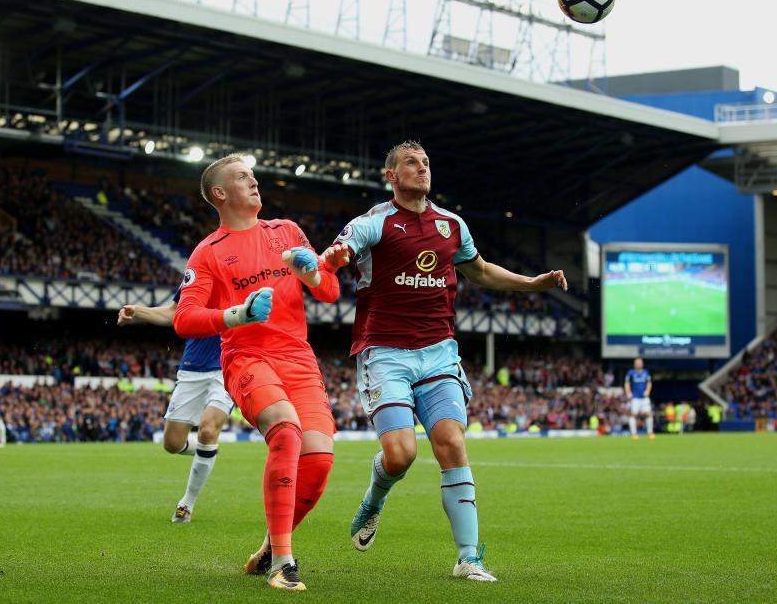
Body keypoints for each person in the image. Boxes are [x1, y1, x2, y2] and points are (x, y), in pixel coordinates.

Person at [321, 140, 567, 583]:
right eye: (411, 163)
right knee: (400, 455)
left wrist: (533, 283)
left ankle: (468, 557)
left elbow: (482, 270)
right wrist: (333, 260)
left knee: (451, 443)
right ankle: (374, 500)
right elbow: (336, 255)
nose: (421, 168)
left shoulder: (451, 225)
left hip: (438, 352)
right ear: (390, 175)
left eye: (426, 163)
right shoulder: (373, 223)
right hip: (386, 354)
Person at [173, 153, 341, 592]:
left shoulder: (286, 231)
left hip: (299, 359)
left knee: (320, 460)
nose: (254, 181)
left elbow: (329, 291)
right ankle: (284, 563)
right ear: (220, 193)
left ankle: (270, 544)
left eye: (253, 175)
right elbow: (184, 317)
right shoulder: (208, 252)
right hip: (247, 357)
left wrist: (313, 273)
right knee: (286, 432)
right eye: (243, 177)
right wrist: (236, 314)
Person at [117, 295, 228, 524]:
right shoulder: (197, 275)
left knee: (208, 430)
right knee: (172, 444)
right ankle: (208, 451)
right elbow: (173, 312)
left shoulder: (245, 273)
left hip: (228, 365)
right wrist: (137, 311)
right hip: (192, 369)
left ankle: (186, 504)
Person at [624, 357, 654, 440]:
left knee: (648, 414)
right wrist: (628, 392)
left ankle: (650, 433)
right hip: (635, 398)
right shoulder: (631, 373)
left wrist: (648, 391)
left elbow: (649, 383)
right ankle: (633, 433)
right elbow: (627, 383)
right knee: (633, 414)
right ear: (635, 364)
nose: (639, 364)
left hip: (644, 397)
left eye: (640, 362)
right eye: (637, 362)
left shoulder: (645, 372)